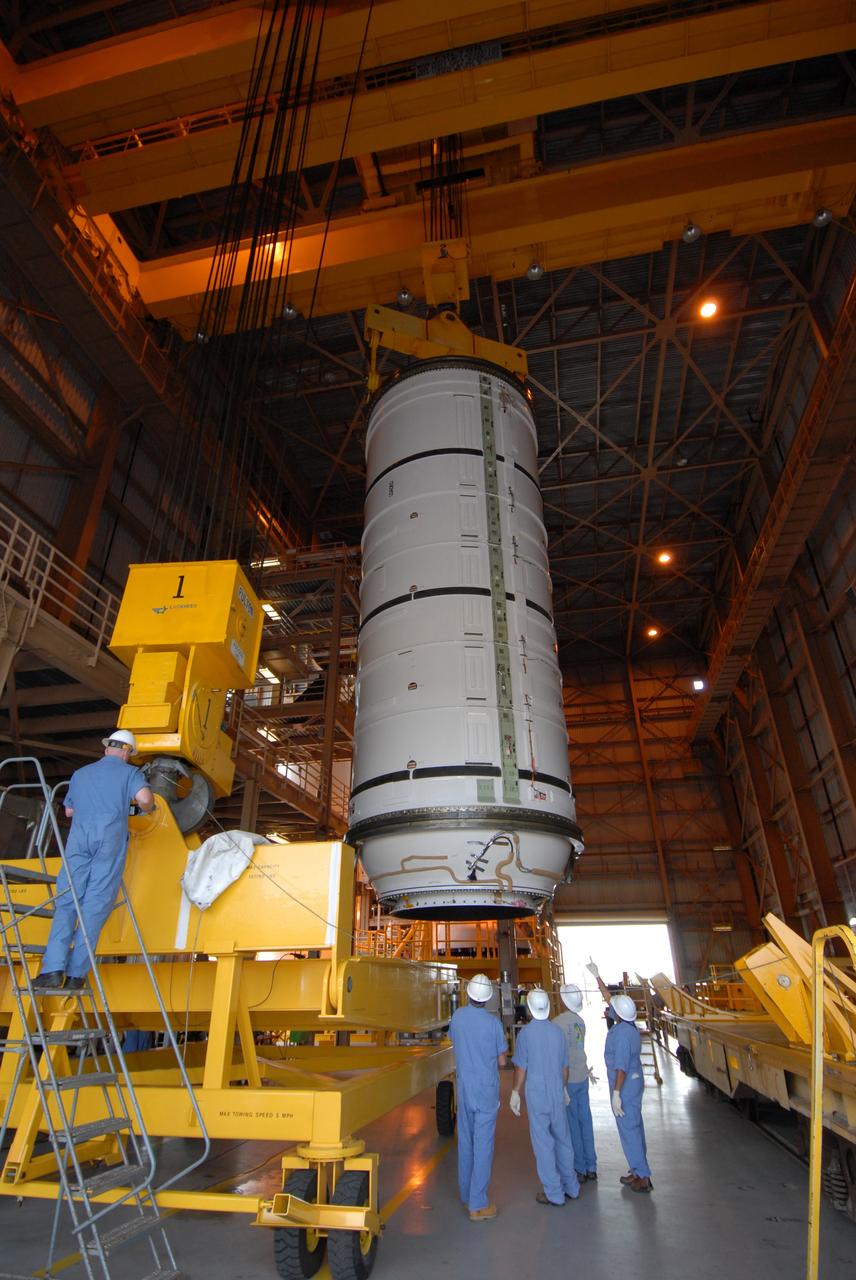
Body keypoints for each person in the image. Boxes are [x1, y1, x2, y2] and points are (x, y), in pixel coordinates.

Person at [34, 730, 154, 991]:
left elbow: (69, 810)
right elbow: (145, 800)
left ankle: (52, 969)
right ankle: (76, 974)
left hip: (79, 842)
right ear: (126, 752)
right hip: (108, 844)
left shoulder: (81, 774)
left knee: (67, 901)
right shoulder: (130, 774)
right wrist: (148, 807)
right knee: (94, 907)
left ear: (106, 749)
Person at [586, 960, 653, 1194]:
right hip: (632, 1083)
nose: (608, 1007)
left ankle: (642, 1176)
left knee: (629, 1129)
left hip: (624, 1085)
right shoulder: (628, 1024)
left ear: (618, 1014)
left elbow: (621, 1068)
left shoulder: (623, 1035)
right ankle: (637, 1170)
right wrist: (597, 976)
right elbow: (609, 998)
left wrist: (616, 1093)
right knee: (634, 1126)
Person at [510, 989, 580, 1207]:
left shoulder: (525, 1035)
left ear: (529, 1009)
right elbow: (564, 1068)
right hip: (557, 1089)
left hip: (537, 1093)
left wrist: (515, 1091)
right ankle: (572, 1187)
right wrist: (564, 1089)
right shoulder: (557, 1033)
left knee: (543, 1143)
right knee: (563, 1139)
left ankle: (554, 1193)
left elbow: (521, 1068)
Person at [449, 972, 507, 1221]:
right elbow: (503, 1060)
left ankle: (466, 1194)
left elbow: (454, 1040)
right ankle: (478, 1203)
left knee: (466, 1141)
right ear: (488, 998)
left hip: (464, 1089)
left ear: (468, 993)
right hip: (485, 1090)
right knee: (483, 1144)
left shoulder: (457, 1017)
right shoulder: (493, 1024)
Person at [553, 983, 597, 1181]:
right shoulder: (581, 1022)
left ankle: (578, 1166)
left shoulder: (558, 1023)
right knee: (585, 1120)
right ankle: (591, 1165)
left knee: (572, 1123)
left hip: (568, 1078)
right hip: (582, 1076)